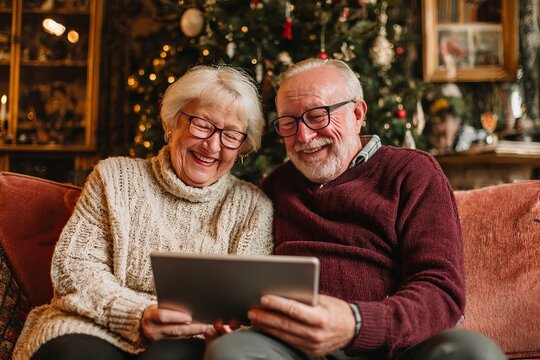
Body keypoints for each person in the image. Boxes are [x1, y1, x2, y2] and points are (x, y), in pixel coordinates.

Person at [205, 59, 506, 360]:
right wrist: (236, 320)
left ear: (357, 113)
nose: (303, 136)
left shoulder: (412, 173)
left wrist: (356, 323)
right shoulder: (276, 185)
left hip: (395, 347)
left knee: (475, 352)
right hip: (297, 348)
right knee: (230, 351)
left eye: (318, 116)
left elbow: (441, 291)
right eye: (289, 123)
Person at [12, 65, 274, 360]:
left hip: (190, 338)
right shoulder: (114, 177)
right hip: (93, 324)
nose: (213, 145)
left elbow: (245, 304)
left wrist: (225, 329)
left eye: (230, 135)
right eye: (202, 124)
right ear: (173, 122)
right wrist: (139, 315)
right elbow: (76, 268)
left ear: (242, 145)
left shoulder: (252, 207)